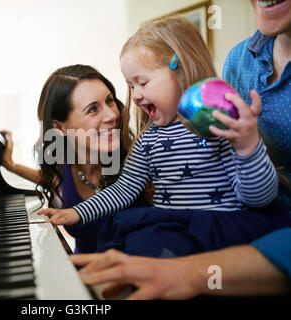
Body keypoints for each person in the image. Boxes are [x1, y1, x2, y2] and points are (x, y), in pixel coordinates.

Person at [69, 0, 291, 299]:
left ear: (179, 66)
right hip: (174, 227)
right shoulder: (148, 140)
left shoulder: (216, 125)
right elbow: (124, 190)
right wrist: (75, 213)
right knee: (129, 239)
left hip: (221, 233)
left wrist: (247, 146)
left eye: (142, 82)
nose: (134, 96)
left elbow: (259, 198)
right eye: (130, 86)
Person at [0, 64, 149, 253]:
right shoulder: (64, 168)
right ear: (60, 128)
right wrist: (10, 165)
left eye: (109, 101)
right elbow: (48, 180)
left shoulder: (141, 161)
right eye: (93, 109)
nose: (112, 115)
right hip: (83, 275)